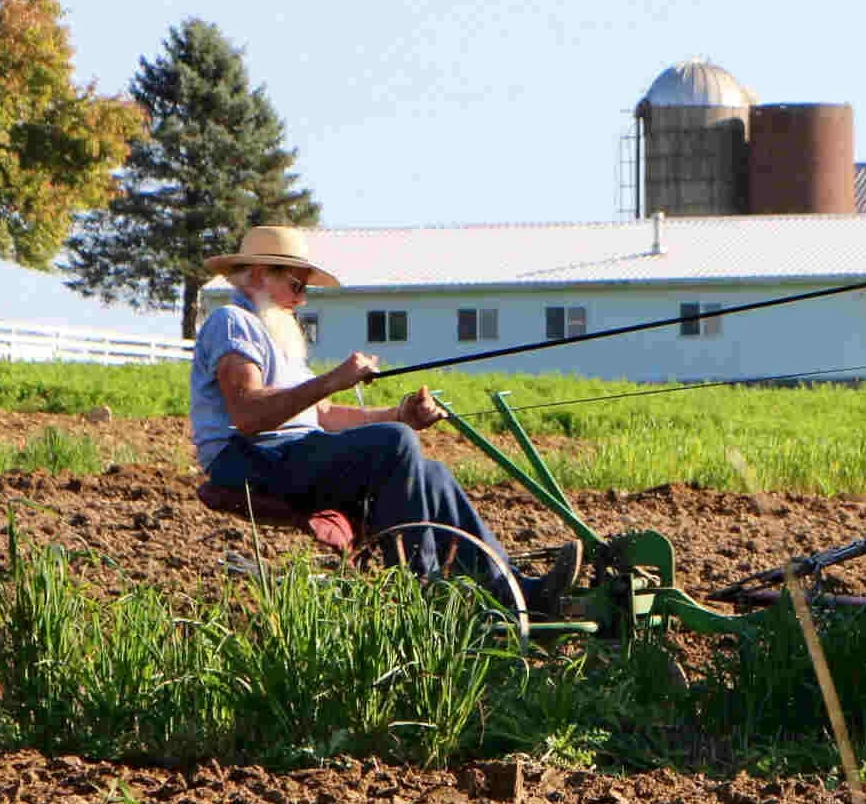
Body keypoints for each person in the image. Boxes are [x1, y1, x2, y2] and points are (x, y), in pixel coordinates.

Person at [190, 225, 578, 614]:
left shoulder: (274, 334)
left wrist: (399, 415)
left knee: (432, 474)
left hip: (289, 452)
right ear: (259, 275)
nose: (302, 298)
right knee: (394, 444)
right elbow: (249, 414)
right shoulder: (232, 322)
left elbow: (319, 417)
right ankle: (421, 594)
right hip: (246, 457)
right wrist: (333, 380)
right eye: (295, 286)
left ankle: (514, 595)